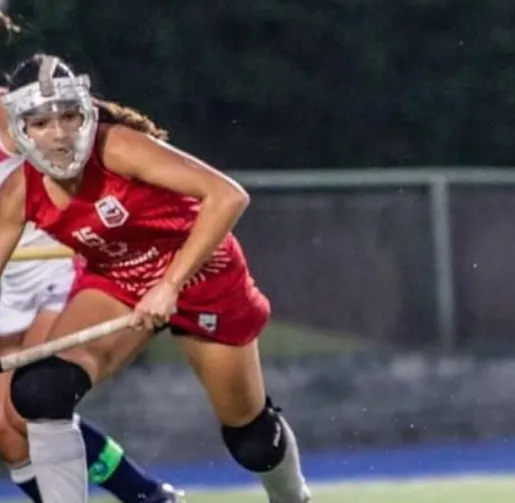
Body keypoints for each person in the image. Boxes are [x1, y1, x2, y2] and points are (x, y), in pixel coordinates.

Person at [0, 53, 312, 502]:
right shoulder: (19, 191)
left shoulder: (117, 147)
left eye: (68, 117)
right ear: (22, 129)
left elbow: (227, 197)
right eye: (42, 123)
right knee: (40, 392)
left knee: (252, 441)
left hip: (204, 278)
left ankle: (293, 497)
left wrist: (169, 285)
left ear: (86, 114)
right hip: (119, 283)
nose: (60, 135)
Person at [0, 92, 183, 502]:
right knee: (7, 436)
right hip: (6, 283)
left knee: (30, 404)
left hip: (56, 269)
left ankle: (148, 497)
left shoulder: (14, 108)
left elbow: (82, 128)